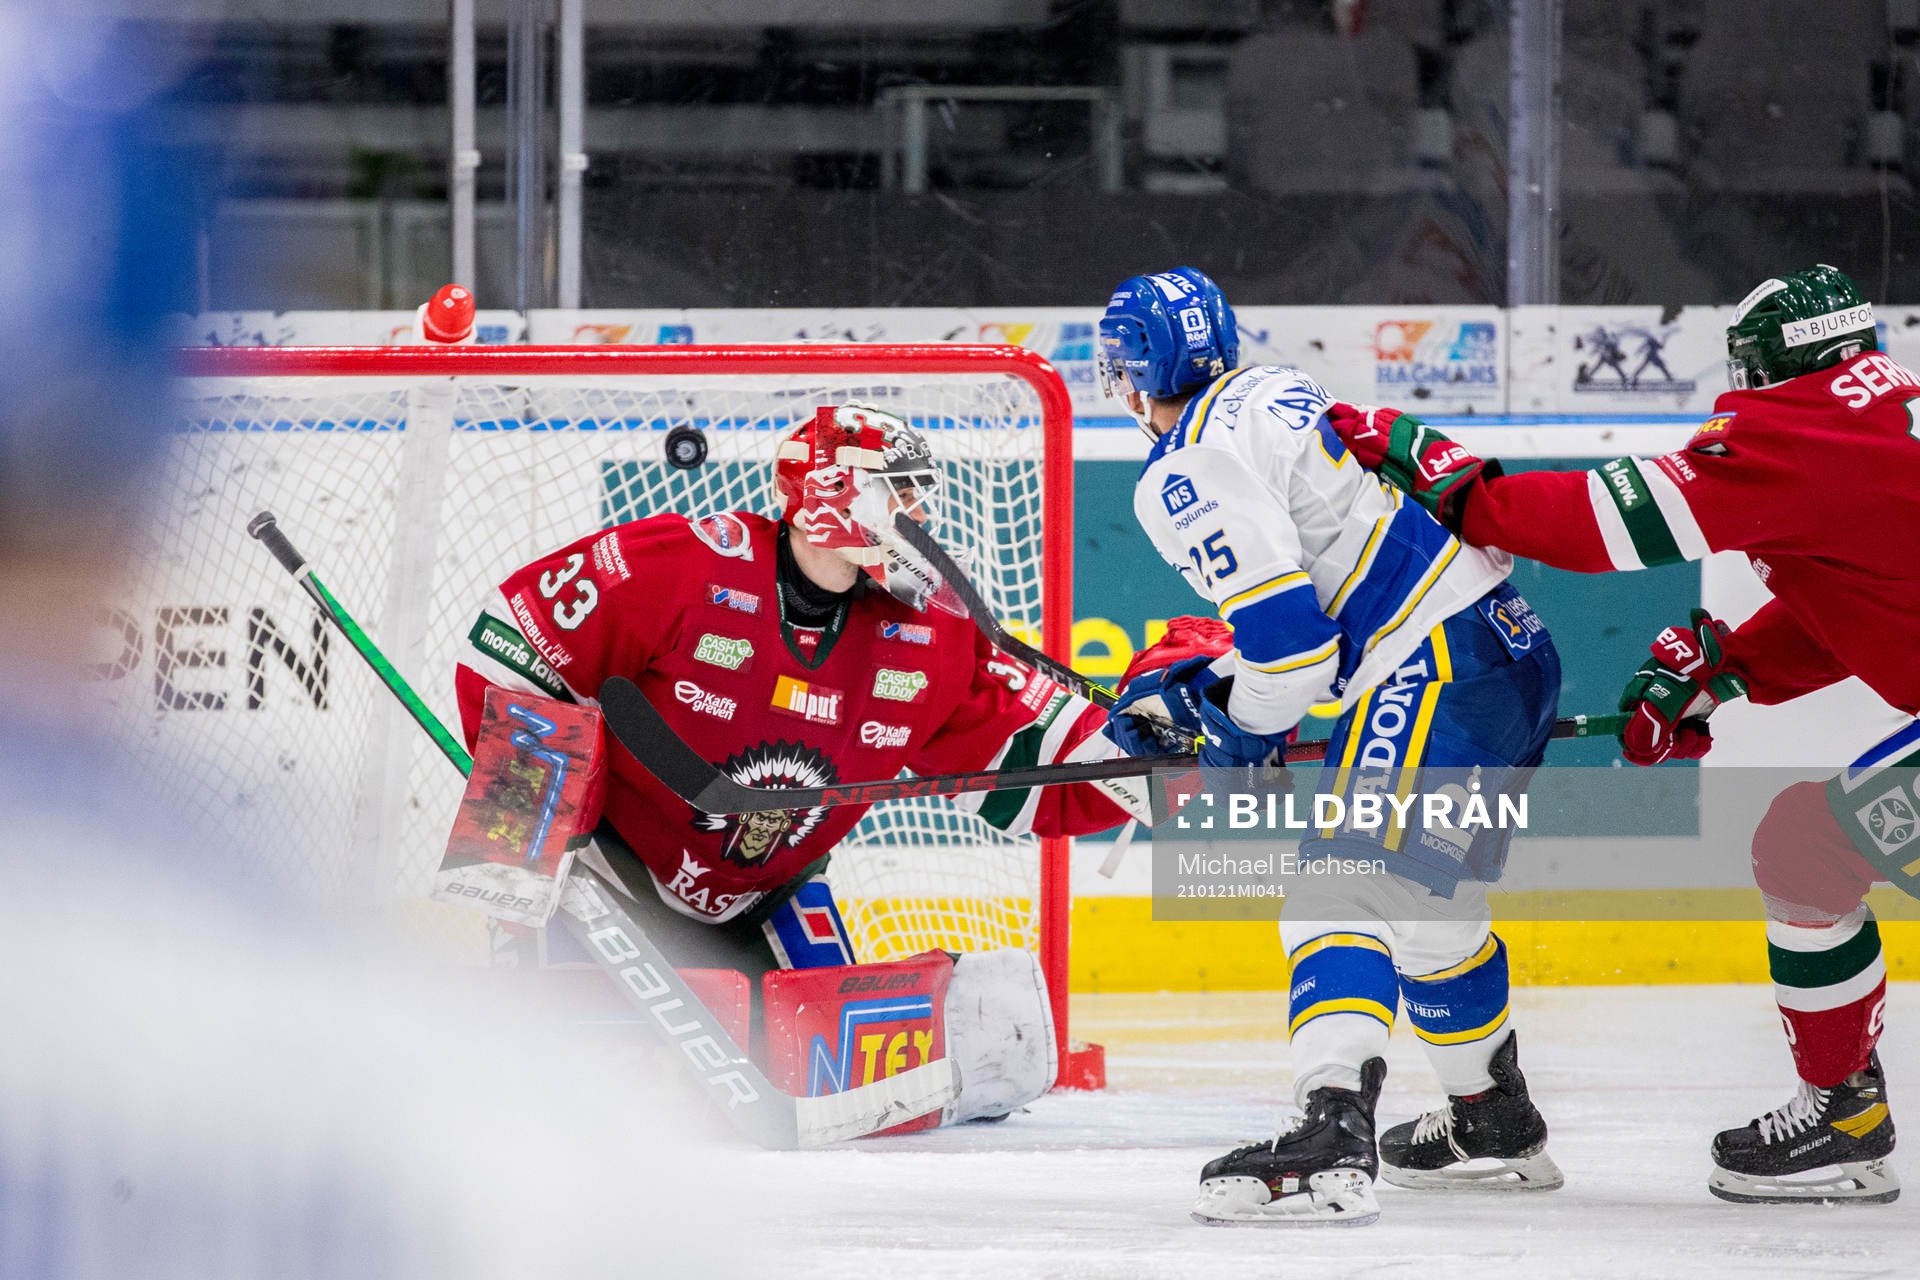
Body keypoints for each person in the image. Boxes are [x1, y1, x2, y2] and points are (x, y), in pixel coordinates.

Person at [1327, 262, 1915, 1206]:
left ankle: (1845, 1119)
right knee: (1810, 849)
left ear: (1765, 365)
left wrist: (1456, 487)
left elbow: (1599, 524)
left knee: (1807, 851)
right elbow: (1878, 600)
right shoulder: (1885, 418)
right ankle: (1844, 1112)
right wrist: (1729, 669)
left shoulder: (1801, 431)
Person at [454, 401, 1150, 1124]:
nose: (917, 513)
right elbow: (506, 652)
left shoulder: (935, 631)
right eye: (899, 491)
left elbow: (1036, 777)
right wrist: (536, 843)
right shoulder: (681, 565)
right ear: (830, 493)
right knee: (557, 1095)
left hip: (772, 894)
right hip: (604, 872)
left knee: (831, 1080)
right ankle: (496, 996)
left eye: (920, 493)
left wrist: (1153, 757)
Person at [1096, 267, 1565, 1226]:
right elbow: (1322, 608)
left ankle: (1332, 1130)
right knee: (1430, 899)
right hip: (1506, 650)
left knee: (1338, 886)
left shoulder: (1184, 466)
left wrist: (1232, 729)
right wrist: (1227, 695)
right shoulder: (1276, 390)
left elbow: (1295, 649)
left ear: (1139, 369)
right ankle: (1491, 1116)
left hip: (1430, 664)